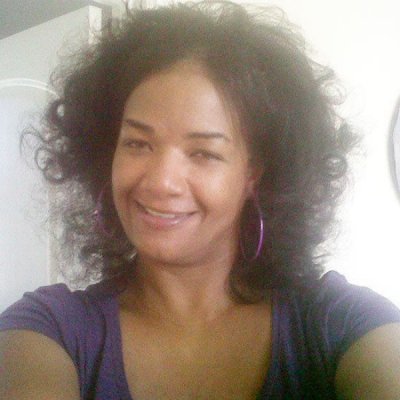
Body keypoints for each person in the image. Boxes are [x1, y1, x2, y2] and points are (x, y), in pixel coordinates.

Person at [1, 2, 400, 399]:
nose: (161, 182)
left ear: (253, 174)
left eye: (204, 153)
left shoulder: (338, 323)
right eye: (137, 143)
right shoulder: (50, 328)